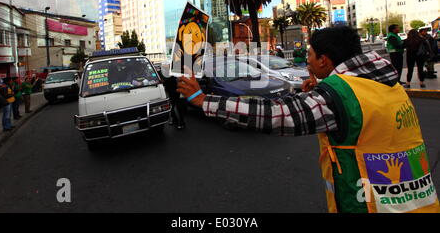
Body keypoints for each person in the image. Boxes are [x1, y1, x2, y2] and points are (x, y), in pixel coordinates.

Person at [177, 26, 440, 213]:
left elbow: (276, 115)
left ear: (325, 60)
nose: (308, 63)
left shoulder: (338, 95)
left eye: (311, 56)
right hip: (419, 201)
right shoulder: (388, 83)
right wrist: (320, 90)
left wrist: (203, 100)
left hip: (370, 205)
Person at [158, 63, 186, 129]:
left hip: (177, 92)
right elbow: (165, 82)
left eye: (165, 68)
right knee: (172, 107)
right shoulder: (166, 74)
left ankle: (182, 123)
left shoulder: (174, 74)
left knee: (179, 108)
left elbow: (175, 81)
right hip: (171, 92)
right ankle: (175, 120)